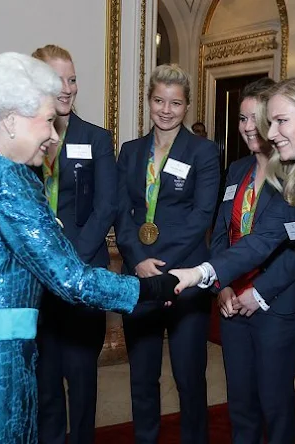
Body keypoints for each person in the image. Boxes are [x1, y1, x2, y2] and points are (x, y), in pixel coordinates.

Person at [0, 52, 178, 444]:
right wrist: (155, 287)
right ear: (10, 119)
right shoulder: (8, 178)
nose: (54, 135)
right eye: (46, 121)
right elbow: (72, 281)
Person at [170, 74, 295, 444]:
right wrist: (209, 276)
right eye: (264, 121)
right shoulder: (287, 180)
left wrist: (258, 291)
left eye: (278, 121)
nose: (265, 130)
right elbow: (256, 241)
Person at [115, 64, 220, 444]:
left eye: (175, 103)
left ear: (187, 106)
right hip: (139, 277)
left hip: (184, 279)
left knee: (189, 376)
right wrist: (139, 259)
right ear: (149, 102)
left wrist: (165, 267)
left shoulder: (204, 151)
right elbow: (120, 210)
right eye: (159, 100)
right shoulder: (130, 152)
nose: (166, 109)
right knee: (142, 376)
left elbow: (202, 215)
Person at [211, 77, 295, 444]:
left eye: (257, 118)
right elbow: (221, 231)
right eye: (242, 118)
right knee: (240, 404)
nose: (248, 127)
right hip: (231, 305)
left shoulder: (294, 171)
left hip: (275, 307)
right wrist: (221, 284)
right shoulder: (236, 170)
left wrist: (260, 292)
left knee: (275, 405)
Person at [30, 44, 117, 444]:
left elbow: (106, 206)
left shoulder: (96, 138)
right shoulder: (24, 138)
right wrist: (44, 264)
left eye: (72, 79)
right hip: (35, 282)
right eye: (56, 80)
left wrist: (70, 264)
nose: (66, 88)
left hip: (82, 276)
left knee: (82, 383)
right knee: (44, 383)